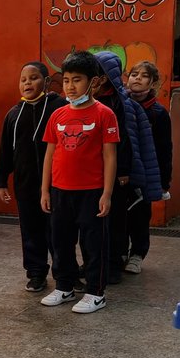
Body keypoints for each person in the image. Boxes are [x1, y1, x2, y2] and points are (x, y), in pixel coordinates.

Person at [40, 51, 119, 314]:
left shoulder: (105, 114)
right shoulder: (57, 115)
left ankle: (96, 293)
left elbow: (110, 156)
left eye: (77, 80)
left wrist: (107, 193)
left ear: (93, 82)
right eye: (66, 80)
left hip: (91, 192)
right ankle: (64, 286)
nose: (70, 86)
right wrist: (45, 189)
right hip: (60, 191)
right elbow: (50, 154)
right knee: (60, 242)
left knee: (93, 244)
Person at [0, 61, 67, 292]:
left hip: (56, 184)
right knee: (30, 230)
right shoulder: (13, 115)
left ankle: (65, 274)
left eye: (33, 78)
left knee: (57, 231)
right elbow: (5, 151)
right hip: (25, 185)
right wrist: (1, 181)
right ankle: (36, 273)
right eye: (23, 79)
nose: (27, 83)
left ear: (46, 82)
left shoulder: (60, 108)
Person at [94, 51, 162, 284]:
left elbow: (129, 143)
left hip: (120, 175)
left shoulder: (124, 106)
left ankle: (120, 261)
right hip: (92, 173)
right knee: (95, 223)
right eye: (134, 74)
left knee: (122, 220)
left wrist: (126, 172)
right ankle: (98, 263)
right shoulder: (88, 102)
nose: (137, 79)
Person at [126, 60, 174, 274]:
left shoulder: (158, 113)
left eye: (144, 75)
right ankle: (119, 252)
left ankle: (137, 254)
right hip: (123, 170)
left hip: (145, 172)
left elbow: (164, 149)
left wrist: (164, 181)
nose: (137, 78)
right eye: (134, 74)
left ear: (153, 83)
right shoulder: (120, 104)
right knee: (119, 216)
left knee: (139, 215)